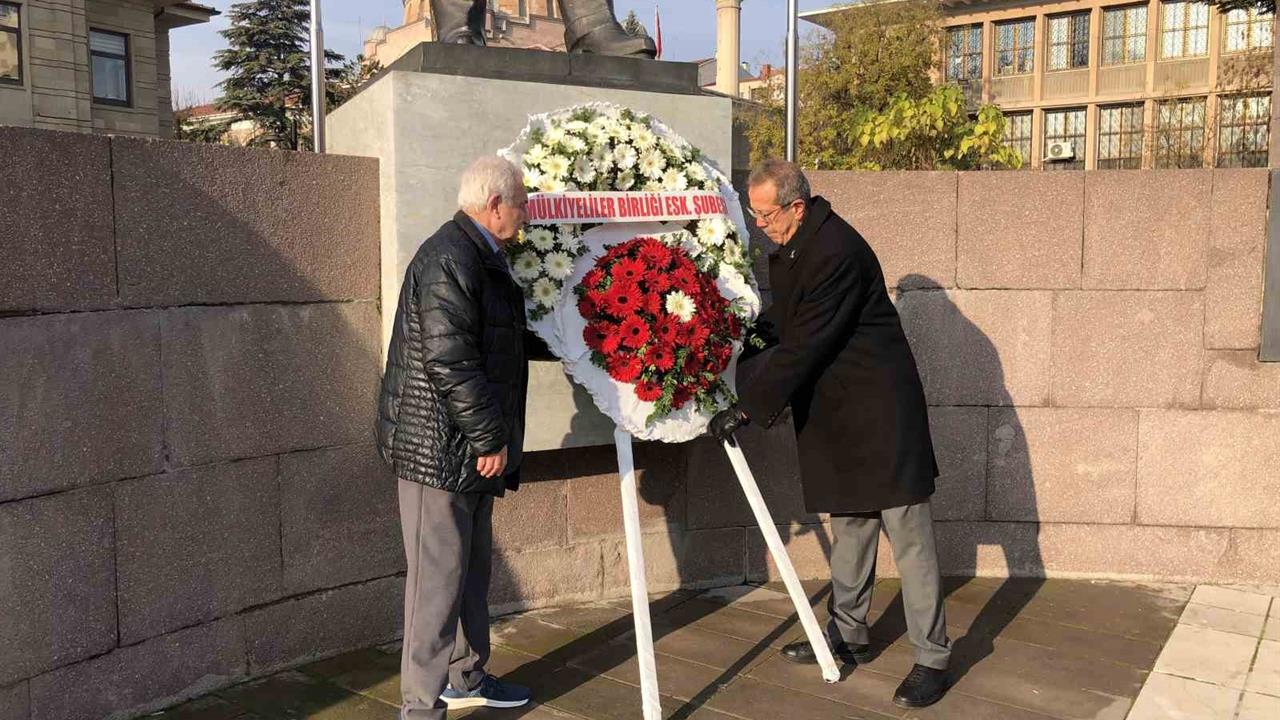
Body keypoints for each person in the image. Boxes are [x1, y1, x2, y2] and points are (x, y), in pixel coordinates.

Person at [709, 159, 951, 709]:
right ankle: (850, 634)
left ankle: (933, 657)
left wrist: (747, 406)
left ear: (796, 205)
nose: (760, 226)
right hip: (840, 412)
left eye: (766, 215)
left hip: (882, 412)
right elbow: (784, 322)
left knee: (909, 539)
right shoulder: (797, 243)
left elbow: (806, 344)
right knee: (851, 528)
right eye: (754, 215)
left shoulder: (837, 250)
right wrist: (731, 339)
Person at [376, 156, 535, 718]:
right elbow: (450, 360)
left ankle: (466, 677)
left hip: (464, 449)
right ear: (495, 205)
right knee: (435, 585)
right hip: (440, 451)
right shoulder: (450, 257)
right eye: (520, 201)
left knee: (469, 571)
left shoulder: (480, 256)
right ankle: (420, 708)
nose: (525, 211)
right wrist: (491, 437)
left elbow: (497, 340)